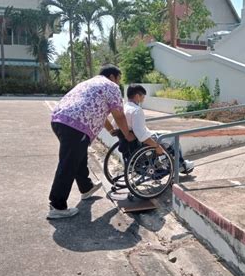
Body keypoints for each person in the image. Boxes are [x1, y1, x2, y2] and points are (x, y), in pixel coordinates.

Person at [48, 65, 135, 220]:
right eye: (119, 78)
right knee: (68, 162)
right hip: (76, 124)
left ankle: (86, 187)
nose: (119, 82)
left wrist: (110, 131)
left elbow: (100, 113)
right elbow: (119, 115)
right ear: (113, 76)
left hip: (59, 119)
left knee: (78, 156)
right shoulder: (112, 86)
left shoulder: (89, 83)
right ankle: (57, 205)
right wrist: (127, 135)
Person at [113, 84, 194, 174]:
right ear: (137, 96)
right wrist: (156, 146)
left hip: (129, 142)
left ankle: (175, 163)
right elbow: (142, 135)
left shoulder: (123, 108)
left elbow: (115, 126)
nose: (143, 99)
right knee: (174, 137)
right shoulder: (136, 110)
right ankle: (180, 165)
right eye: (143, 96)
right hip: (142, 141)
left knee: (167, 133)